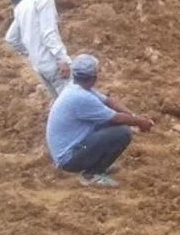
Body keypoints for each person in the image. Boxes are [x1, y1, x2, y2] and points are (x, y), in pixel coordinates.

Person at [46, 54, 155, 188]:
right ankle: (91, 174)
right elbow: (116, 118)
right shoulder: (81, 97)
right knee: (122, 132)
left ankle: (98, 166)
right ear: (93, 77)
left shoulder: (79, 89)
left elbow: (109, 101)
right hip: (69, 158)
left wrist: (133, 116)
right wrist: (140, 122)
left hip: (73, 148)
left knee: (109, 125)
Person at [5, 0, 71, 98]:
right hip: (54, 64)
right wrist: (62, 59)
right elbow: (49, 34)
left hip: (39, 65)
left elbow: (11, 38)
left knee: (59, 103)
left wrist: (31, 51)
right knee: (72, 102)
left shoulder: (21, 6)